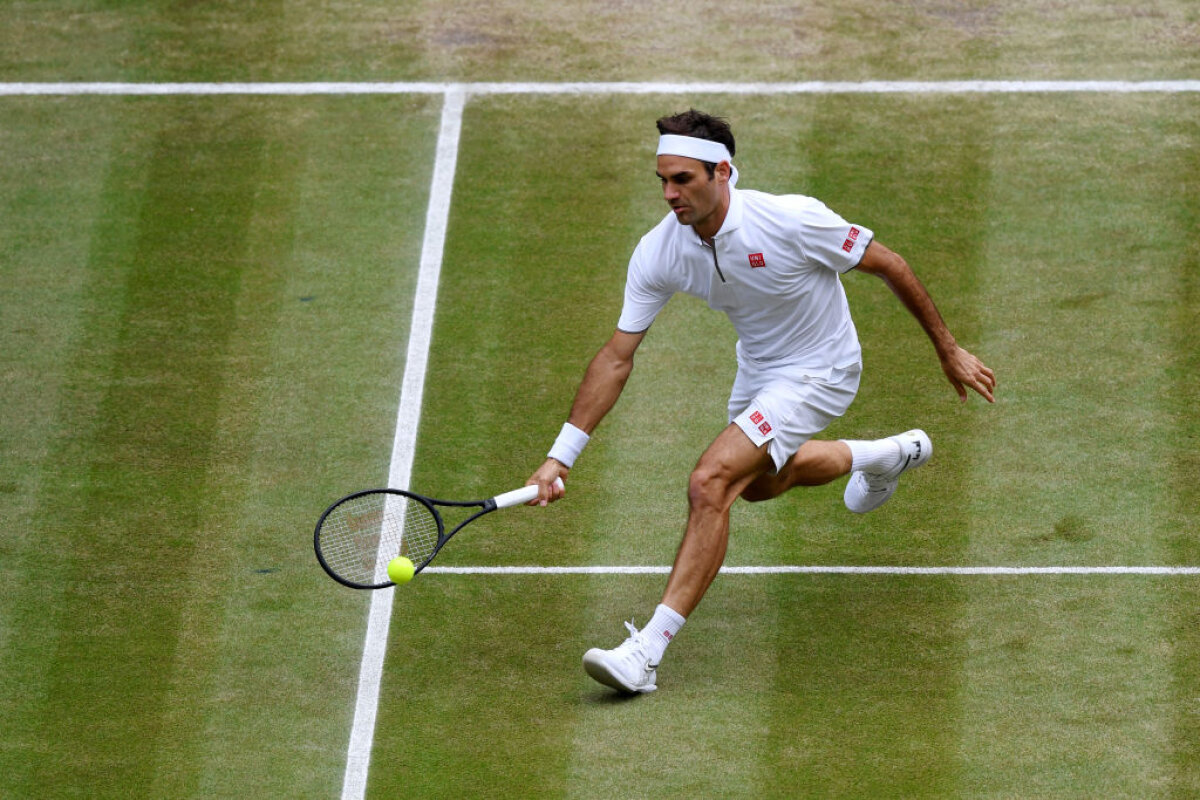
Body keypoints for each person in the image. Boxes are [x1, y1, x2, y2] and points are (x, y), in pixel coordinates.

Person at [526, 109, 995, 695]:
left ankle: (646, 651)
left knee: (709, 482)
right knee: (757, 485)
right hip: (761, 373)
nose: (669, 194)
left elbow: (889, 264)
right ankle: (880, 456)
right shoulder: (660, 251)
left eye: (683, 180)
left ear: (723, 172)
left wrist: (948, 350)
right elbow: (616, 357)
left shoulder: (790, 219)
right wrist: (560, 456)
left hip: (823, 367)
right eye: (663, 181)